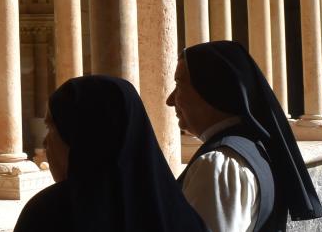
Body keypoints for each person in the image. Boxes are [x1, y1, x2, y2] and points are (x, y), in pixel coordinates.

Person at [15, 75, 208, 232]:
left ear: (79, 137)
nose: (45, 142)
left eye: (52, 127)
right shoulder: (177, 213)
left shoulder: (49, 215)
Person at [166, 41, 322, 232]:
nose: (170, 100)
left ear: (209, 88)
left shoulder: (217, 165)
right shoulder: (254, 147)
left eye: (179, 84)